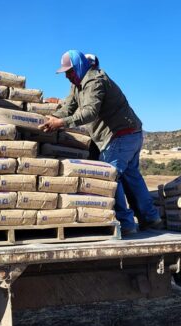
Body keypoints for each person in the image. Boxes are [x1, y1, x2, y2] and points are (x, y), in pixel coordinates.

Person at [40, 50, 163, 236]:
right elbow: (69, 107)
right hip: (129, 135)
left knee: (108, 177)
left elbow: (90, 112)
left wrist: (61, 123)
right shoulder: (77, 85)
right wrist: (52, 117)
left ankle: (126, 223)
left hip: (121, 135)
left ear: (79, 66)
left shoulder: (94, 81)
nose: (67, 76)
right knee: (131, 177)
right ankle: (151, 218)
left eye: (69, 71)